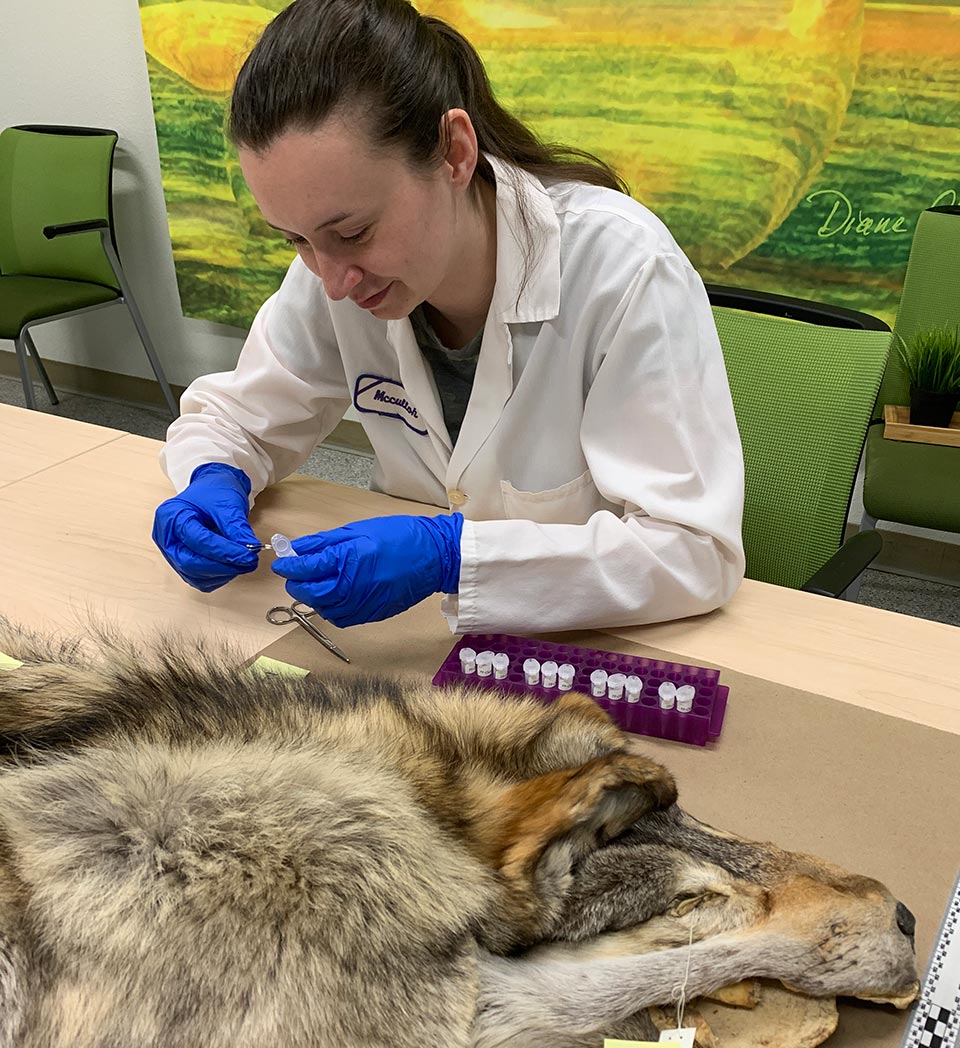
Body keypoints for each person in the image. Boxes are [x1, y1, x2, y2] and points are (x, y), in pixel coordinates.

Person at [153, 0, 746, 634]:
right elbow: (238, 417)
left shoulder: (621, 268)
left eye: (352, 231)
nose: (330, 280)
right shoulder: (335, 270)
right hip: (416, 645)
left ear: (455, 153)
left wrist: (454, 557)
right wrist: (213, 475)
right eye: (293, 238)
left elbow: (692, 552)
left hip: (596, 653)